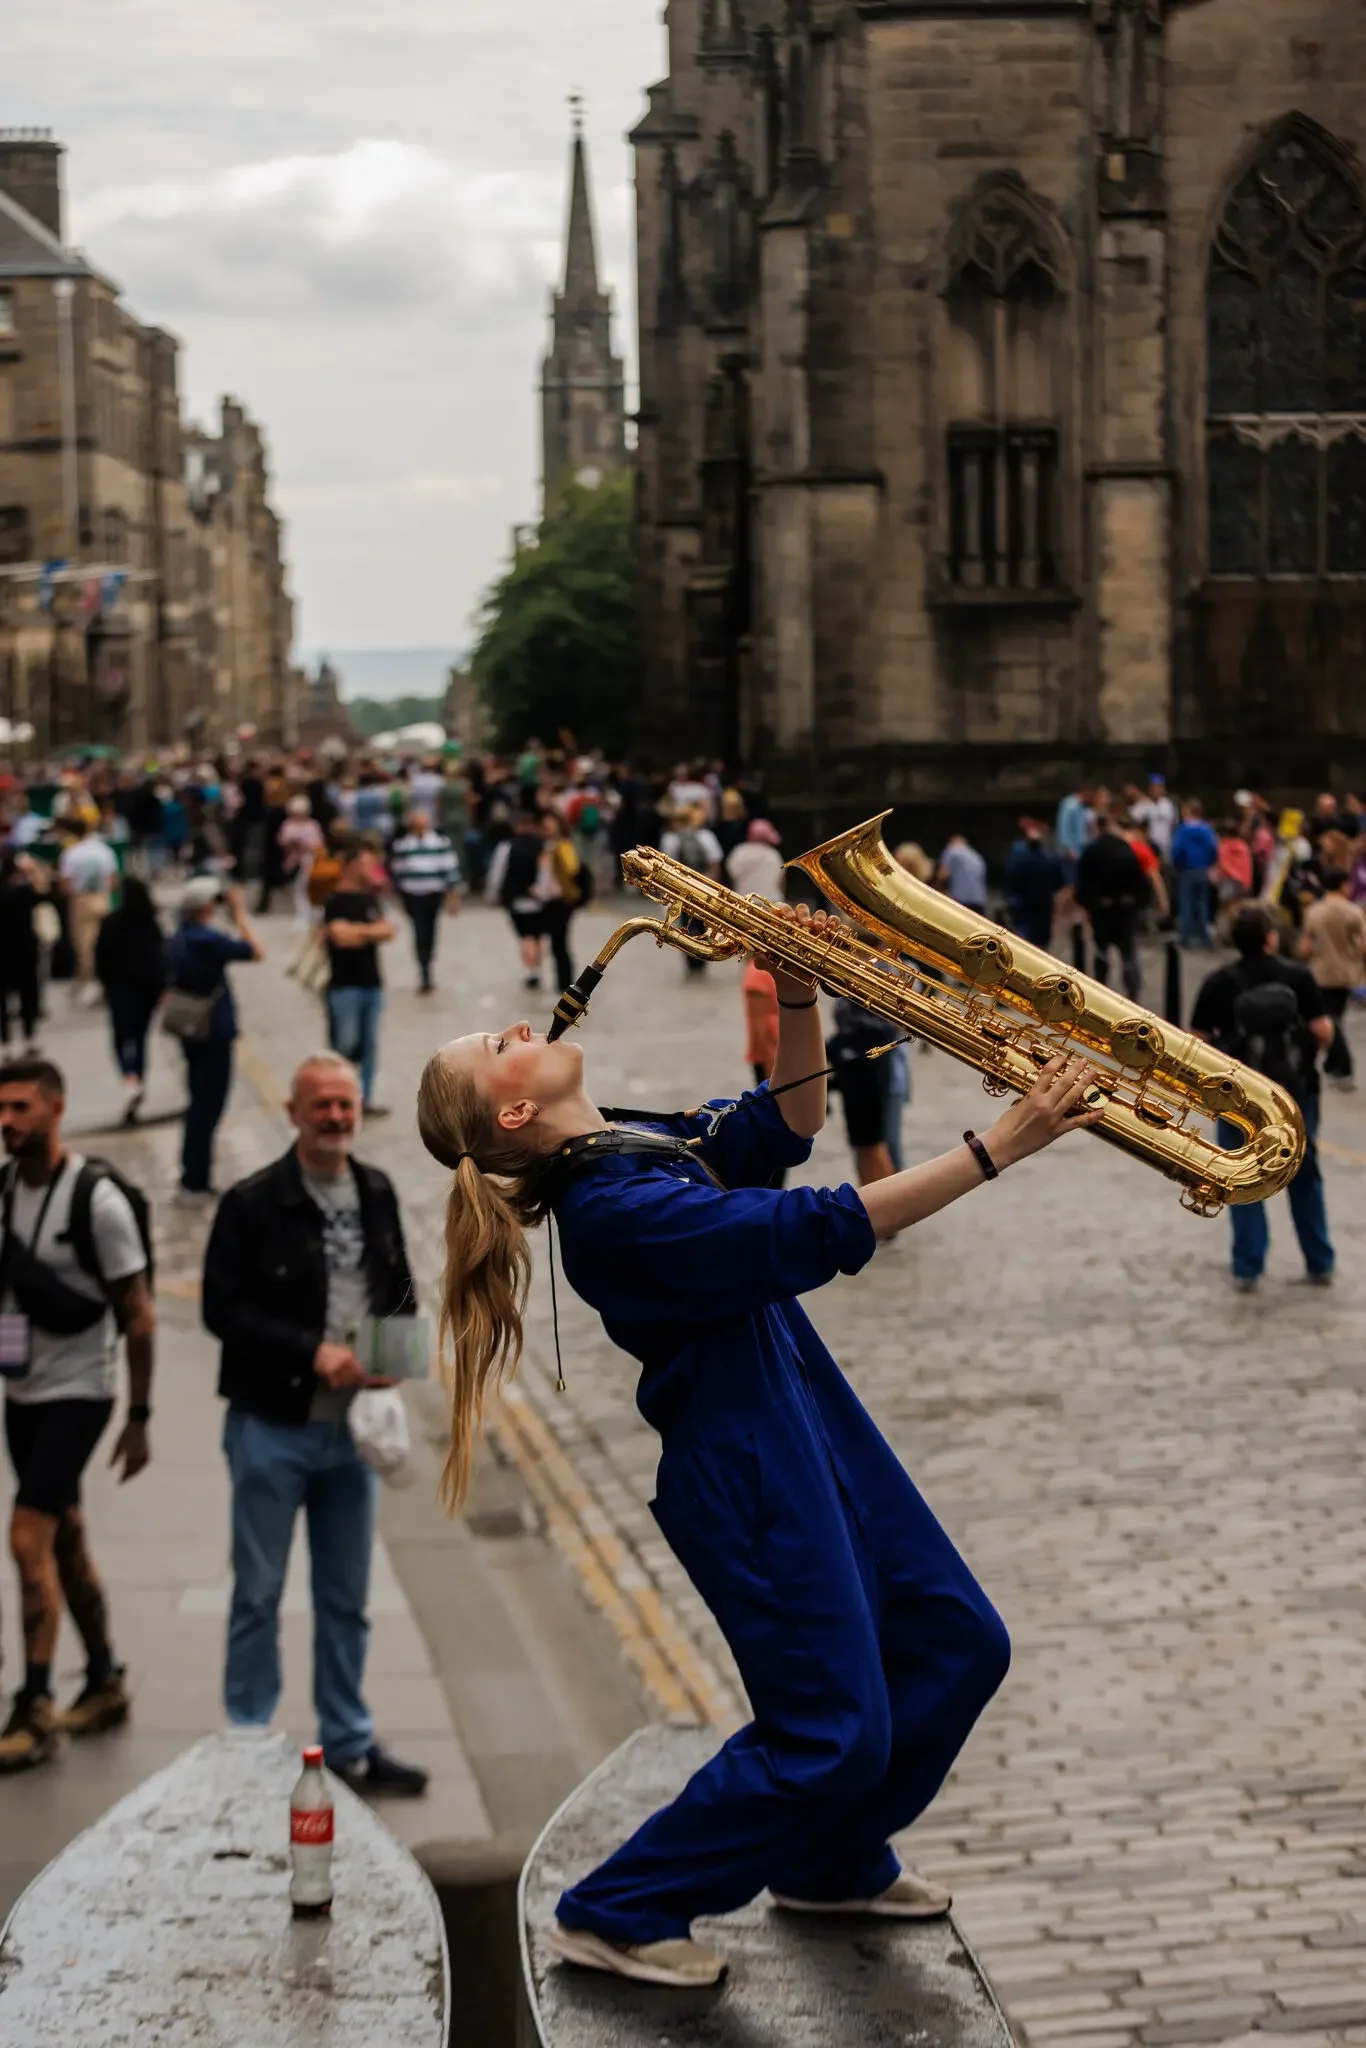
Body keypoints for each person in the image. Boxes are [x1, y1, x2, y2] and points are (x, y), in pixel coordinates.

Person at [414, 921, 1103, 1988]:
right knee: (830, 1730)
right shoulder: (611, 1211)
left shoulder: (624, 1144)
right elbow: (821, 1226)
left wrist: (793, 997)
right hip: (745, 1466)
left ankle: (829, 1860)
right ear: (514, 1110)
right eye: (496, 1042)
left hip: (805, 1415)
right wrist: (996, 1145)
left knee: (957, 1639)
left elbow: (783, 1126)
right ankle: (618, 1905)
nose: (519, 1022)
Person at [202, 1053, 428, 1797]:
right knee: (258, 1593)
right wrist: (312, 1352)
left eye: (345, 1105)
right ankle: (247, 1741)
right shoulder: (252, 1202)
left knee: (345, 1597)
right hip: (272, 1425)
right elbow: (222, 1310)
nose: (335, 1117)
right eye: (321, 1106)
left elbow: (398, 1288)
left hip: (350, 1434)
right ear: (294, 1113)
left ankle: (349, 1743)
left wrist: (394, 1358)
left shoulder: (376, 1189)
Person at [0, 1059, 155, 1771]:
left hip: (81, 1391)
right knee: (66, 1541)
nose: (8, 1122)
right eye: (2, 1109)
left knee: (26, 1541)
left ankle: (32, 1707)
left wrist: (139, 1416)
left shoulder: (96, 1203)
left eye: (22, 1108)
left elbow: (139, 1312)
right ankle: (104, 1676)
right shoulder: (4, 1192)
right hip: (22, 1391)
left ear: (57, 1109)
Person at [1191, 906, 1334, 1294]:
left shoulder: (1219, 982)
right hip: (1294, 1092)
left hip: (1240, 1100)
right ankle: (1319, 1260)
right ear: (1270, 938)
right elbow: (1323, 1030)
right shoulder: (1297, 977)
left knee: (1240, 1178)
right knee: (1305, 1173)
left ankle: (1248, 1266)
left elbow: (1197, 1040)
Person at [166, 878, 265, 1201]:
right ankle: (196, 1178)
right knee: (208, 1105)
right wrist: (238, 913)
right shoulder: (206, 939)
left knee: (198, 1101)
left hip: (190, 1029)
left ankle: (192, 1173)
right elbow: (255, 950)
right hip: (213, 1031)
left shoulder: (180, 936)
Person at [324, 837, 395, 1115]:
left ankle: (362, 1100)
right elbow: (340, 938)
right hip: (344, 985)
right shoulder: (335, 901)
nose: (373, 868)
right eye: (367, 863)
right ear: (352, 865)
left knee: (369, 1046)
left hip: (372, 983)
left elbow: (388, 931)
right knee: (344, 1045)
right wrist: (369, 932)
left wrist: (357, 932)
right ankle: (336, 1098)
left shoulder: (370, 899)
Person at [94, 876, 167, 1124]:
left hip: (120, 988)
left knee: (120, 1036)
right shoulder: (150, 923)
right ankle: (139, 1080)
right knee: (140, 1037)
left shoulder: (111, 922)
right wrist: (161, 988)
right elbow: (160, 957)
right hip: (147, 989)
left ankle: (129, 1077)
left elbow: (101, 955)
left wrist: (105, 983)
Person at [1300, 867, 1365, 1090]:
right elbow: (1363, 945)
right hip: (1347, 973)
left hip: (1321, 972)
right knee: (1335, 1017)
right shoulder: (1354, 911)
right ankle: (1336, 1064)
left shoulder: (1314, 912)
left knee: (1330, 1017)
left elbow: (1305, 947)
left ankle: (1339, 1064)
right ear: (1344, 885)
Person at [1075, 813, 1150, 1000]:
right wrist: (1140, 904)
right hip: (1126, 908)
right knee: (1128, 951)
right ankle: (1133, 989)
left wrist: (1087, 906)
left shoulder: (1092, 850)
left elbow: (1084, 882)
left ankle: (1101, 988)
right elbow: (1139, 879)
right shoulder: (1126, 849)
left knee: (1101, 949)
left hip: (1102, 909)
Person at [389, 810, 462, 996]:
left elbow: (450, 869)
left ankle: (427, 965)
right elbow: (397, 872)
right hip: (413, 895)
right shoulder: (403, 845)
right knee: (419, 930)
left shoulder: (439, 843)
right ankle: (424, 970)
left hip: (432, 894)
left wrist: (453, 896)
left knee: (429, 930)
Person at [58, 818, 118, 1008]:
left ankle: (89, 981)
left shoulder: (71, 853)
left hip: (81, 900)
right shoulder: (105, 851)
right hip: (102, 898)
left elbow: (66, 884)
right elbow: (113, 879)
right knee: (104, 940)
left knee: (84, 944)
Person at [663, 804, 725, 979]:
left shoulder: (671, 838)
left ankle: (689, 957)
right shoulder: (706, 836)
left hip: (683, 888)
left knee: (685, 924)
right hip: (703, 886)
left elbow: (668, 864)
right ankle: (703, 957)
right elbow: (715, 860)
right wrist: (714, 884)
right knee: (703, 921)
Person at [538, 810, 586, 994]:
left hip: (561, 900)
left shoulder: (563, 846)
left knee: (560, 941)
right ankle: (561, 980)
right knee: (556, 942)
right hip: (550, 899)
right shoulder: (548, 846)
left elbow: (572, 868)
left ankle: (565, 982)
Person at [0, 850, 42, 1054]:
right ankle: (28, 1038)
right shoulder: (23, 892)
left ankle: (5, 1043)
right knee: (28, 996)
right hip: (24, 949)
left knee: (2, 1001)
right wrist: (33, 869)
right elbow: (44, 891)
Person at [1002, 820, 1064, 950]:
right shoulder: (1050, 861)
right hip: (1044, 904)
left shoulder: (1021, 862)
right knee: (1043, 939)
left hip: (1026, 904)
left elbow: (1012, 881)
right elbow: (1059, 882)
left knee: (1027, 937)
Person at [1171, 800, 1219, 950]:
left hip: (1186, 869)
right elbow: (1214, 847)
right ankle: (1203, 937)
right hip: (1203, 869)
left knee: (1186, 902)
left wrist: (1177, 864)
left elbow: (1176, 848)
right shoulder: (1206, 829)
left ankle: (1185, 937)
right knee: (1202, 903)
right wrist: (1209, 863)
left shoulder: (1183, 829)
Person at [278, 796, 325, 929]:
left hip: (310, 861)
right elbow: (282, 841)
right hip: (293, 861)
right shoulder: (287, 825)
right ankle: (302, 915)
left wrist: (304, 846)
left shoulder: (313, 825)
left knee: (309, 888)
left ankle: (315, 914)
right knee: (297, 890)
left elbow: (318, 845)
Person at [725, 818, 785, 903]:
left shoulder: (740, 851)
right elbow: (781, 881)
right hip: (771, 902)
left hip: (746, 900)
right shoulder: (773, 854)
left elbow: (733, 874)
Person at [935, 834, 988, 914]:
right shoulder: (977, 856)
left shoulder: (951, 850)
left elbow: (943, 874)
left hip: (959, 903)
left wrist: (935, 891)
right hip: (979, 903)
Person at [1130, 775, 1177, 862]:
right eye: (1154, 787)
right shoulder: (1143, 804)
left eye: (1159, 787)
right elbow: (1133, 820)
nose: (1156, 790)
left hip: (1166, 848)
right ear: (1150, 788)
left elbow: (1174, 825)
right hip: (1148, 847)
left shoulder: (1168, 805)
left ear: (1163, 789)